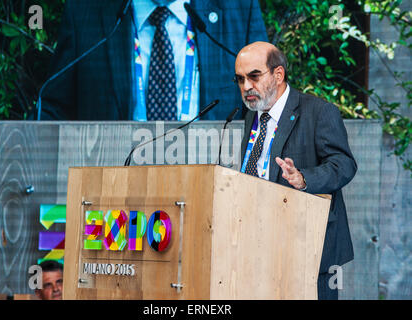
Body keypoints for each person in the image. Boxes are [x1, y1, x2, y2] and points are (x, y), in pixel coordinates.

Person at [235, 41, 357, 300]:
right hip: (260, 245)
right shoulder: (252, 116)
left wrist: (303, 179)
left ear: (278, 74)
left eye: (254, 76)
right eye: (240, 79)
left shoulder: (318, 112)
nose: (246, 87)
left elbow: (344, 165)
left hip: (309, 249)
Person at [37, 0, 268, 121]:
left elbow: (267, 104)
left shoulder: (238, 7)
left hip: (212, 187)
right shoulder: (86, 11)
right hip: (116, 194)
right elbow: (54, 107)